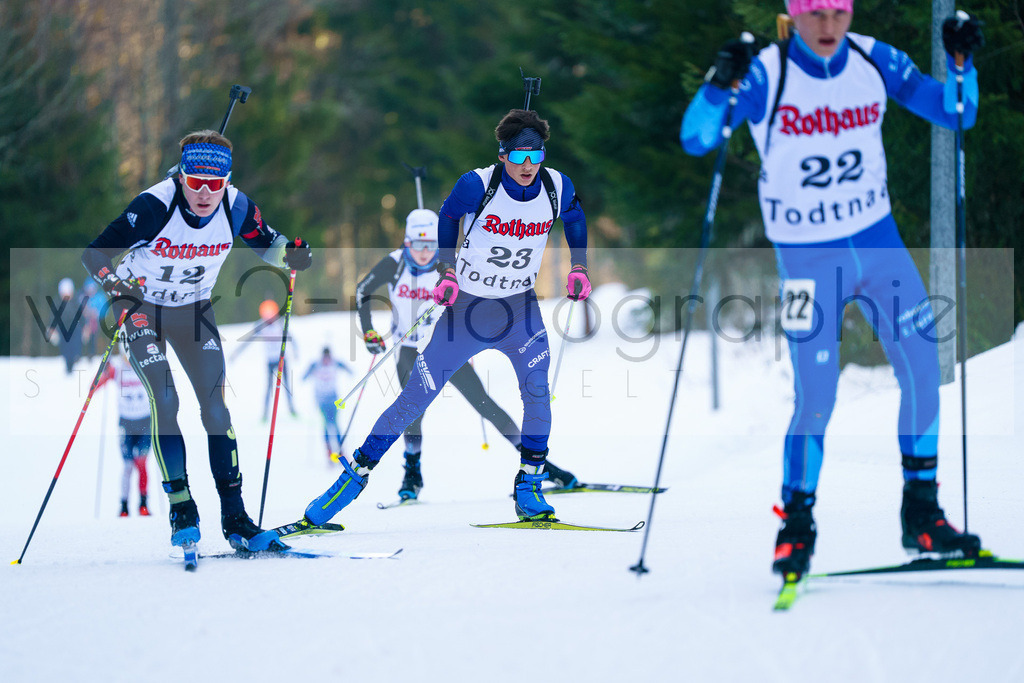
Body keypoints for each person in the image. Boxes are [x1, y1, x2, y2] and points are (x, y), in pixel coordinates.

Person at [681, 2, 985, 577]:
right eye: (814, 12)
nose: (827, 25)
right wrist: (720, 82)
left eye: (838, 10)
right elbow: (698, 138)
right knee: (816, 395)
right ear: (794, 13)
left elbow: (956, 113)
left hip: (881, 249)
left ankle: (922, 512)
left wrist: (961, 61)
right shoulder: (770, 71)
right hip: (806, 263)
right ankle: (797, 523)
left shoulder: (874, 59)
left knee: (924, 371)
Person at [297, 108, 590, 528]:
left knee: (537, 392)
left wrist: (578, 267)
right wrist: (448, 272)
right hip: (466, 313)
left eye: (536, 156)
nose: (528, 167)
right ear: (503, 154)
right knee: (414, 398)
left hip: (520, 310)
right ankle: (353, 479)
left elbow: (576, 217)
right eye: (519, 157)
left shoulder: (557, 185)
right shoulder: (477, 185)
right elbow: (448, 217)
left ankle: (530, 484)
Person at [82, 129, 313, 552]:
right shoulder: (154, 205)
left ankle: (235, 515)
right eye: (195, 183)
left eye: (215, 184)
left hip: (193, 310)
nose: (205, 193)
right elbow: (94, 255)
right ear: (181, 177)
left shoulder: (237, 206)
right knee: (166, 400)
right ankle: (181, 505)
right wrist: (117, 286)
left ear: (226, 181)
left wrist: (293, 254)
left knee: (215, 407)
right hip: (141, 310)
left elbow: (270, 245)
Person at [354, 207, 581, 501]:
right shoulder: (394, 264)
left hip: (447, 349)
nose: (424, 252)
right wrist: (369, 330)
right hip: (409, 350)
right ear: (406, 243)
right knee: (412, 411)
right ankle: (412, 472)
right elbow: (362, 292)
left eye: (431, 245)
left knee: (485, 404)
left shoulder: (450, 264)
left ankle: (539, 463)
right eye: (417, 245)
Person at [97, 346, 152, 517]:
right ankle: (124, 506)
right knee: (128, 466)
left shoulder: (145, 365)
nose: (129, 358)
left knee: (141, 463)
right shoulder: (117, 368)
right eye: (126, 354)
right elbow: (95, 385)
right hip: (126, 424)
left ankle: (143, 504)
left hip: (144, 421)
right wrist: (103, 370)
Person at [230, 298, 299, 420]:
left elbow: (291, 337)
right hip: (270, 361)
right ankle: (265, 414)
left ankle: (292, 410)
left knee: (287, 385)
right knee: (269, 388)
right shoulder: (260, 325)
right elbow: (248, 340)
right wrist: (236, 353)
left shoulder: (281, 323)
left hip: (282, 360)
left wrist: (296, 351)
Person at [302, 346, 353, 461]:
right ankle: (329, 450)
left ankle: (340, 451)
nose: (326, 360)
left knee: (334, 423)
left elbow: (347, 368)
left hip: (334, 399)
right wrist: (308, 373)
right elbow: (304, 377)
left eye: (328, 357)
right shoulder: (316, 365)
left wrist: (350, 372)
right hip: (321, 400)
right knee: (326, 423)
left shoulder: (335, 363)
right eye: (325, 358)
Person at [47, 277, 87, 375]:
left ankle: (75, 358)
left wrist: (85, 327)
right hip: (63, 329)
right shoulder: (57, 302)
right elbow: (53, 316)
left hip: (75, 328)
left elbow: (80, 315)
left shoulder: (75, 302)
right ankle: (68, 365)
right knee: (65, 347)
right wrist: (52, 328)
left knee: (75, 345)